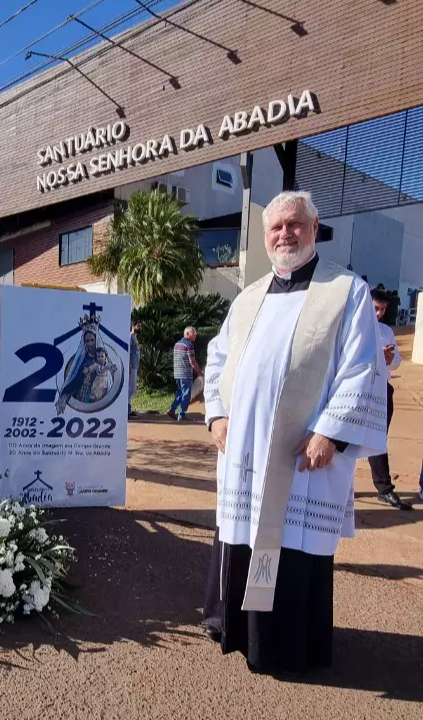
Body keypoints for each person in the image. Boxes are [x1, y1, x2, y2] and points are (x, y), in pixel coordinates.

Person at [202, 191, 387, 675]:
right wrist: (217, 414)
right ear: (265, 237)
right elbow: (218, 358)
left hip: (303, 456)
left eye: (295, 224)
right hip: (244, 452)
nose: (285, 234)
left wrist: (330, 432)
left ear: (314, 227)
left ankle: (284, 647)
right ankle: (237, 630)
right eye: (276, 227)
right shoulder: (248, 297)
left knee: (291, 547)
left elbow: (363, 368)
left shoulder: (346, 291)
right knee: (241, 539)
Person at [368, 288, 411, 510]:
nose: (379, 314)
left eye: (383, 309)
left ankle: (384, 489)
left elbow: (396, 363)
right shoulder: (355, 327)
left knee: (377, 439)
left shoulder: (386, 331)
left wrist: (390, 358)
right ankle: (338, 488)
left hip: (382, 389)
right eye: (376, 308)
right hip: (360, 390)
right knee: (342, 440)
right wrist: (376, 357)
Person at [168, 326, 202, 422]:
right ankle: (181, 414)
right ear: (187, 334)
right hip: (185, 374)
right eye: (193, 333)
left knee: (180, 392)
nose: (195, 335)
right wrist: (199, 372)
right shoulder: (189, 345)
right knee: (186, 394)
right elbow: (192, 361)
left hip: (178, 373)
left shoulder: (177, 344)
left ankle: (172, 409)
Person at [129, 321, 141, 417]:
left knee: (132, 389)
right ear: (133, 326)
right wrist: (129, 365)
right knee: (131, 389)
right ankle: (126, 410)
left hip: (135, 366)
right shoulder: (130, 337)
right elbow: (128, 352)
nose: (140, 327)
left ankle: (128, 410)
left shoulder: (135, 337)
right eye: (138, 325)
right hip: (131, 366)